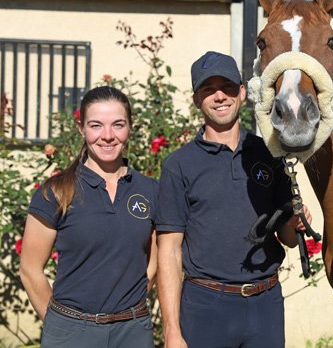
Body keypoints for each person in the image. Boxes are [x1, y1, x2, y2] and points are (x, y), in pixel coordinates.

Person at [155, 51, 311, 348]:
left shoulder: (270, 153)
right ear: (196, 99)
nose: (219, 96)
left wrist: (295, 222)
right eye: (208, 89)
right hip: (205, 306)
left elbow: (288, 238)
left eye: (227, 87)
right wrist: (171, 331)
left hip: (265, 304)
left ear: (242, 93)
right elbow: (170, 251)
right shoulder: (179, 165)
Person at [19, 86, 158, 348]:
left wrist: (131, 306)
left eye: (118, 125)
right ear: (82, 128)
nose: (107, 136)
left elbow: (154, 259)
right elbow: (29, 269)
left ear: (129, 128)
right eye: (96, 125)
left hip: (133, 332)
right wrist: (59, 326)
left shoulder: (150, 190)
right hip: (71, 332)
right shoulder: (57, 192)